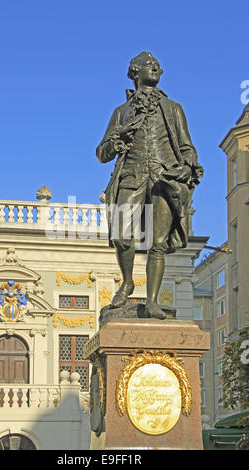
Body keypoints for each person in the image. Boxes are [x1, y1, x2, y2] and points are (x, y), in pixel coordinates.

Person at [96, 52, 203, 319]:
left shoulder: (174, 108)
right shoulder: (121, 112)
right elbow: (101, 153)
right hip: (131, 177)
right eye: (148, 65)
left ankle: (152, 301)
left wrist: (188, 166)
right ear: (134, 72)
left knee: (158, 243)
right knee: (121, 236)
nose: (154, 68)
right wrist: (116, 141)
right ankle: (128, 282)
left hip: (163, 178)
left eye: (157, 66)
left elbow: (187, 147)